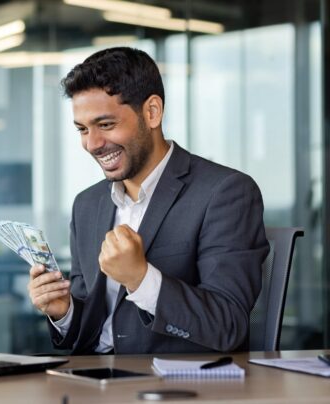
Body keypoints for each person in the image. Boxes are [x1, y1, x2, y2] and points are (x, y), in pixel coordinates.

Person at [27, 47, 270, 355]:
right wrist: (64, 312)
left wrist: (141, 279)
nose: (92, 144)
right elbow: (92, 330)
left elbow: (227, 325)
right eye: (82, 129)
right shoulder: (87, 205)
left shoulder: (226, 193)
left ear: (152, 112)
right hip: (94, 384)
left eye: (105, 125)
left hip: (176, 389)